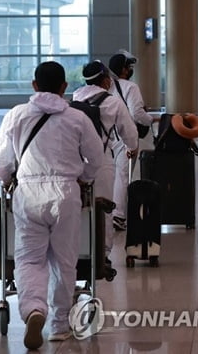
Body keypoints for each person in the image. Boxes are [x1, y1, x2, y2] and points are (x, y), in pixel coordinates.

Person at [0, 61, 104, 349]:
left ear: (34, 85)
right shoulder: (77, 118)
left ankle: (33, 309)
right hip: (66, 193)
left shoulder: (17, 115)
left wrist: (7, 179)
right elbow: (96, 158)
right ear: (65, 87)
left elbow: (1, 164)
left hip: (28, 193)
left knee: (29, 259)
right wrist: (84, 179)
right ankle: (59, 325)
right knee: (64, 261)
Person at [72, 60, 138, 263]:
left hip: (75, 160)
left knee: (78, 206)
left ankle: (80, 250)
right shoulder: (113, 102)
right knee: (104, 207)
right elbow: (130, 133)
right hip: (102, 159)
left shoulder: (76, 97)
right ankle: (103, 253)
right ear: (106, 80)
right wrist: (132, 147)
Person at [108, 49, 158, 231]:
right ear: (123, 69)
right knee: (123, 174)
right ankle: (118, 214)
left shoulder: (107, 85)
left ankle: (109, 212)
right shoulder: (131, 87)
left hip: (108, 134)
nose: (130, 70)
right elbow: (136, 114)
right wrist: (152, 119)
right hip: (125, 134)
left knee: (110, 173)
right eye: (128, 67)